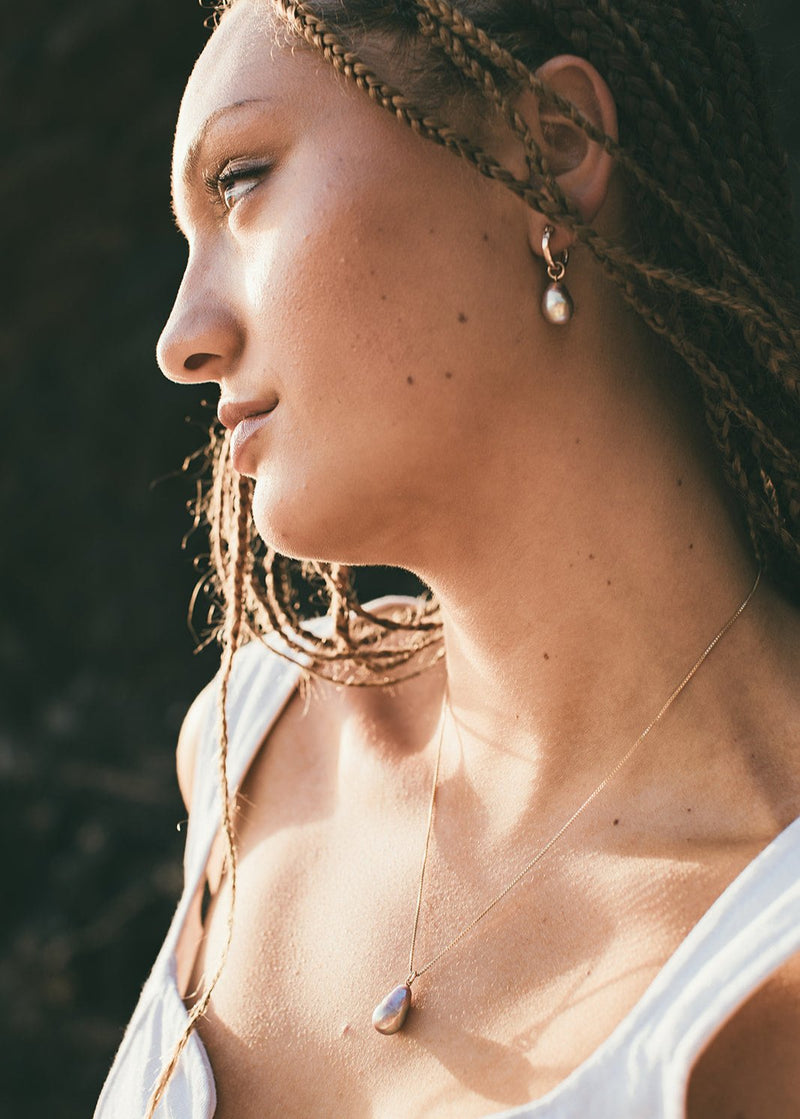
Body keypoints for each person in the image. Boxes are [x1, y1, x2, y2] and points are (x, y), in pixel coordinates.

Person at [95, 1, 800, 1116]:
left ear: (550, 145)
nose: (183, 337)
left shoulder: (765, 962)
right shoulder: (248, 745)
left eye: (239, 181)